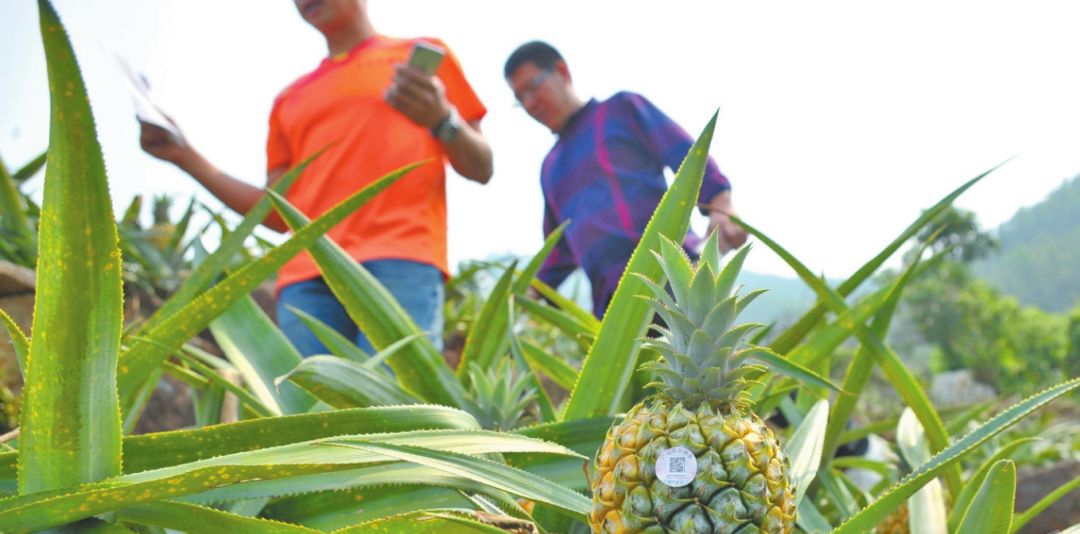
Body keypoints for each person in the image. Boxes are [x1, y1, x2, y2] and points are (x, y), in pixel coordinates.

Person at [140, 0, 493, 356]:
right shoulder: (289, 100)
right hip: (307, 279)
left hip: (401, 261)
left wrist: (442, 120)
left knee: (397, 407)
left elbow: (481, 167)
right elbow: (275, 212)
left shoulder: (421, 59)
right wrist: (185, 157)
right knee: (309, 410)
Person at [504, 41, 744, 317]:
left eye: (533, 86)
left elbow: (687, 157)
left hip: (675, 280)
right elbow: (559, 248)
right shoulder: (550, 167)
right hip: (612, 312)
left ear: (562, 71)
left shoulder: (621, 110)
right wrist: (527, 291)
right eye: (519, 98)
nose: (529, 103)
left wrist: (721, 203)